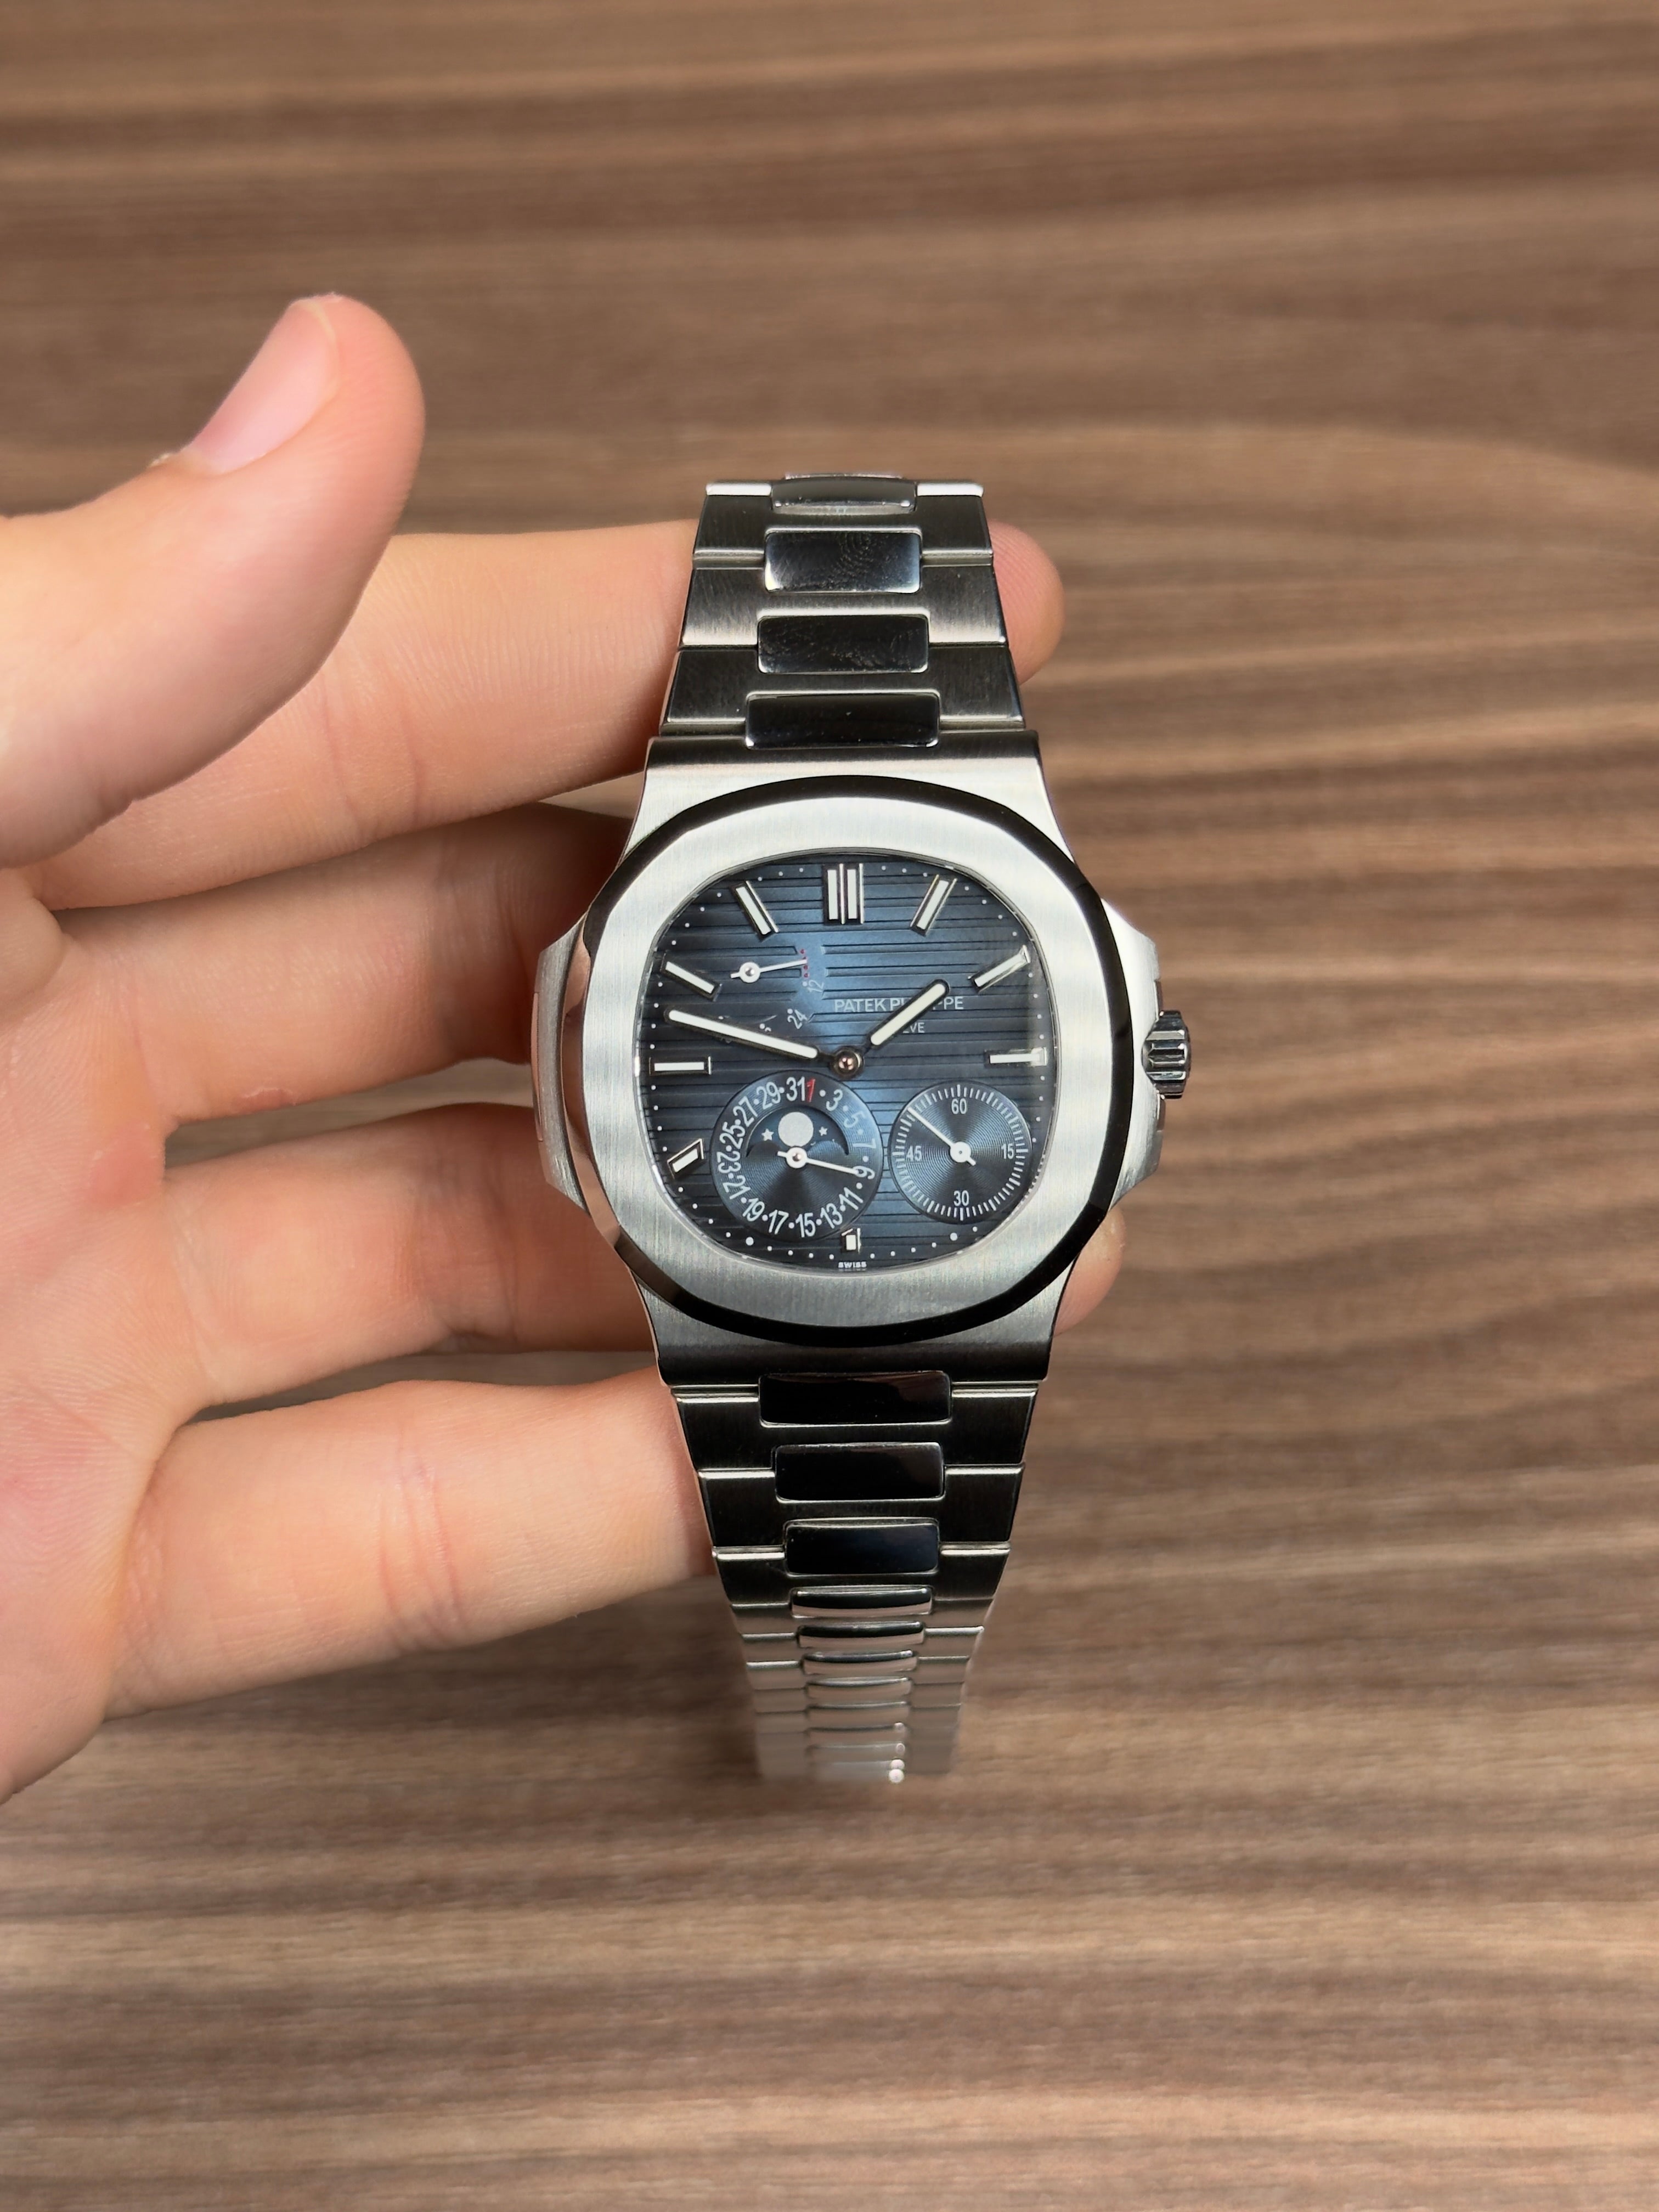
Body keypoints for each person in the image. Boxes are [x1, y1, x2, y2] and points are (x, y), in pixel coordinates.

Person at [0, 296, 1125, 1799]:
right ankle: (852, 1733)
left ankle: (860, 1728)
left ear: (1135, 1055)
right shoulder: (821, 984)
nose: (839, 1068)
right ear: (561, 1032)